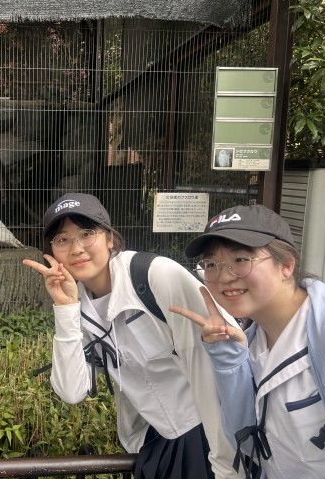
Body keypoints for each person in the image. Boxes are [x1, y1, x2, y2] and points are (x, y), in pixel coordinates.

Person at [23, 193, 244, 479]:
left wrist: (226, 465)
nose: (76, 249)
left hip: (209, 436)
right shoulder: (81, 307)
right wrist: (66, 310)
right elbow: (72, 392)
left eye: (87, 233)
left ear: (109, 238)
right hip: (157, 442)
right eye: (63, 239)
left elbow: (206, 367)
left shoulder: (156, 276)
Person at [169, 204, 325, 478]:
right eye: (211, 264)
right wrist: (227, 358)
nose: (224, 277)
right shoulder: (253, 339)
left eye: (241, 259)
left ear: (286, 265)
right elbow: (246, 443)